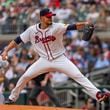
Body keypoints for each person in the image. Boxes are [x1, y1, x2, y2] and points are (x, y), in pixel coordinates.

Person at [1, 8, 110, 104]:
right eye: (48, 17)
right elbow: (17, 40)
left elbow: (73, 26)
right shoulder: (32, 30)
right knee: (25, 76)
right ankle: (12, 98)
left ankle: (98, 95)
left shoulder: (57, 27)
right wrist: (6, 50)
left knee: (78, 76)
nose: (50, 18)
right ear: (41, 18)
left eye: (51, 16)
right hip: (43, 60)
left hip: (60, 59)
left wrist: (85, 23)